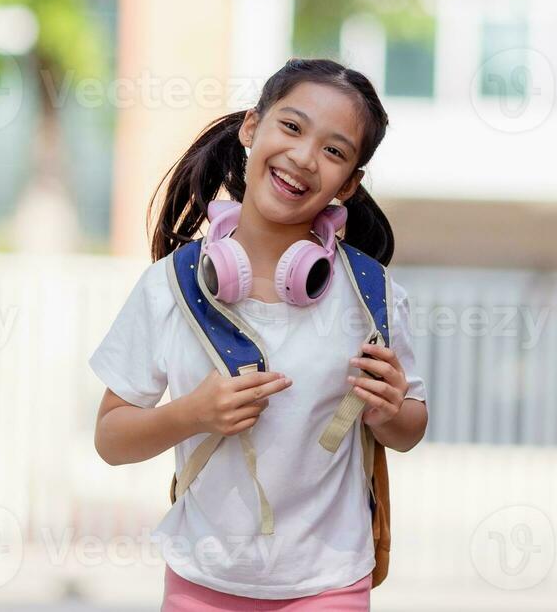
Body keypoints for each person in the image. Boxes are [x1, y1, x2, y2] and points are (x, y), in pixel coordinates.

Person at [89, 57, 429, 610]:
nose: (303, 157)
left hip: (330, 582)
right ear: (253, 127)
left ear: (351, 181)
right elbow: (111, 438)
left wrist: (389, 410)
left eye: (334, 150)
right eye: (291, 127)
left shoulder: (371, 294)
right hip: (202, 580)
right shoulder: (169, 287)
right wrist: (192, 414)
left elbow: (409, 428)